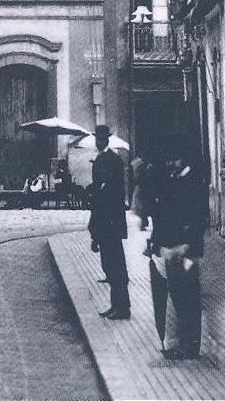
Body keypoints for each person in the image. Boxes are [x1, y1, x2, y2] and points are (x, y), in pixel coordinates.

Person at [148, 143, 207, 359]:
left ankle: (190, 346)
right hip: (175, 248)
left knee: (188, 299)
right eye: (168, 160)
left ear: (184, 159)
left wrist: (188, 247)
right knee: (181, 297)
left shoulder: (192, 183)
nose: (170, 164)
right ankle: (185, 343)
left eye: (174, 159)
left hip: (185, 250)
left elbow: (199, 219)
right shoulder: (176, 180)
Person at [88, 124, 130, 320]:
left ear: (106, 140)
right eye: (97, 139)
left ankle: (122, 308)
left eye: (101, 139)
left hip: (110, 223)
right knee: (110, 266)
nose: (98, 142)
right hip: (105, 222)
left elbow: (110, 195)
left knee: (115, 267)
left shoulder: (110, 160)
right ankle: (117, 306)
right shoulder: (104, 159)